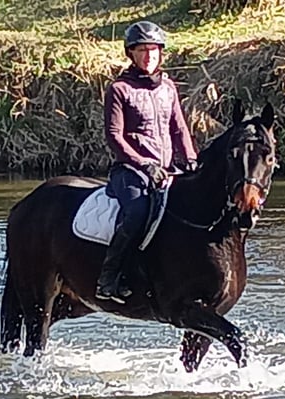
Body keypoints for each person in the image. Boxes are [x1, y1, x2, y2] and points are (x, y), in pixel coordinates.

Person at [95, 20, 199, 304]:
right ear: (131, 53)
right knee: (137, 211)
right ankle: (109, 278)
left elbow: (179, 128)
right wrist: (144, 164)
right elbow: (115, 136)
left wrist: (190, 159)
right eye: (142, 50)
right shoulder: (119, 89)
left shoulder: (168, 88)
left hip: (166, 170)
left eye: (153, 50)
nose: (149, 56)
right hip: (130, 171)